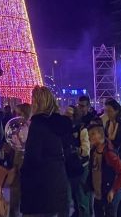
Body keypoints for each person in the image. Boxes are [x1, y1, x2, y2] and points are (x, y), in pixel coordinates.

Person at [20, 86, 74, 217]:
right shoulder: (61, 124)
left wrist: (22, 170)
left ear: (37, 103)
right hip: (59, 180)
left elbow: (33, 157)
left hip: (40, 187)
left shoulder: (38, 124)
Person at [88, 124, 121, 217]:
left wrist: (113, 190)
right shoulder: (94, 151)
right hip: (99, 194)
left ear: (99, 135)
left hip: (109, 193)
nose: (89, 137)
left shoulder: (109, 154)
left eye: (92, 134)